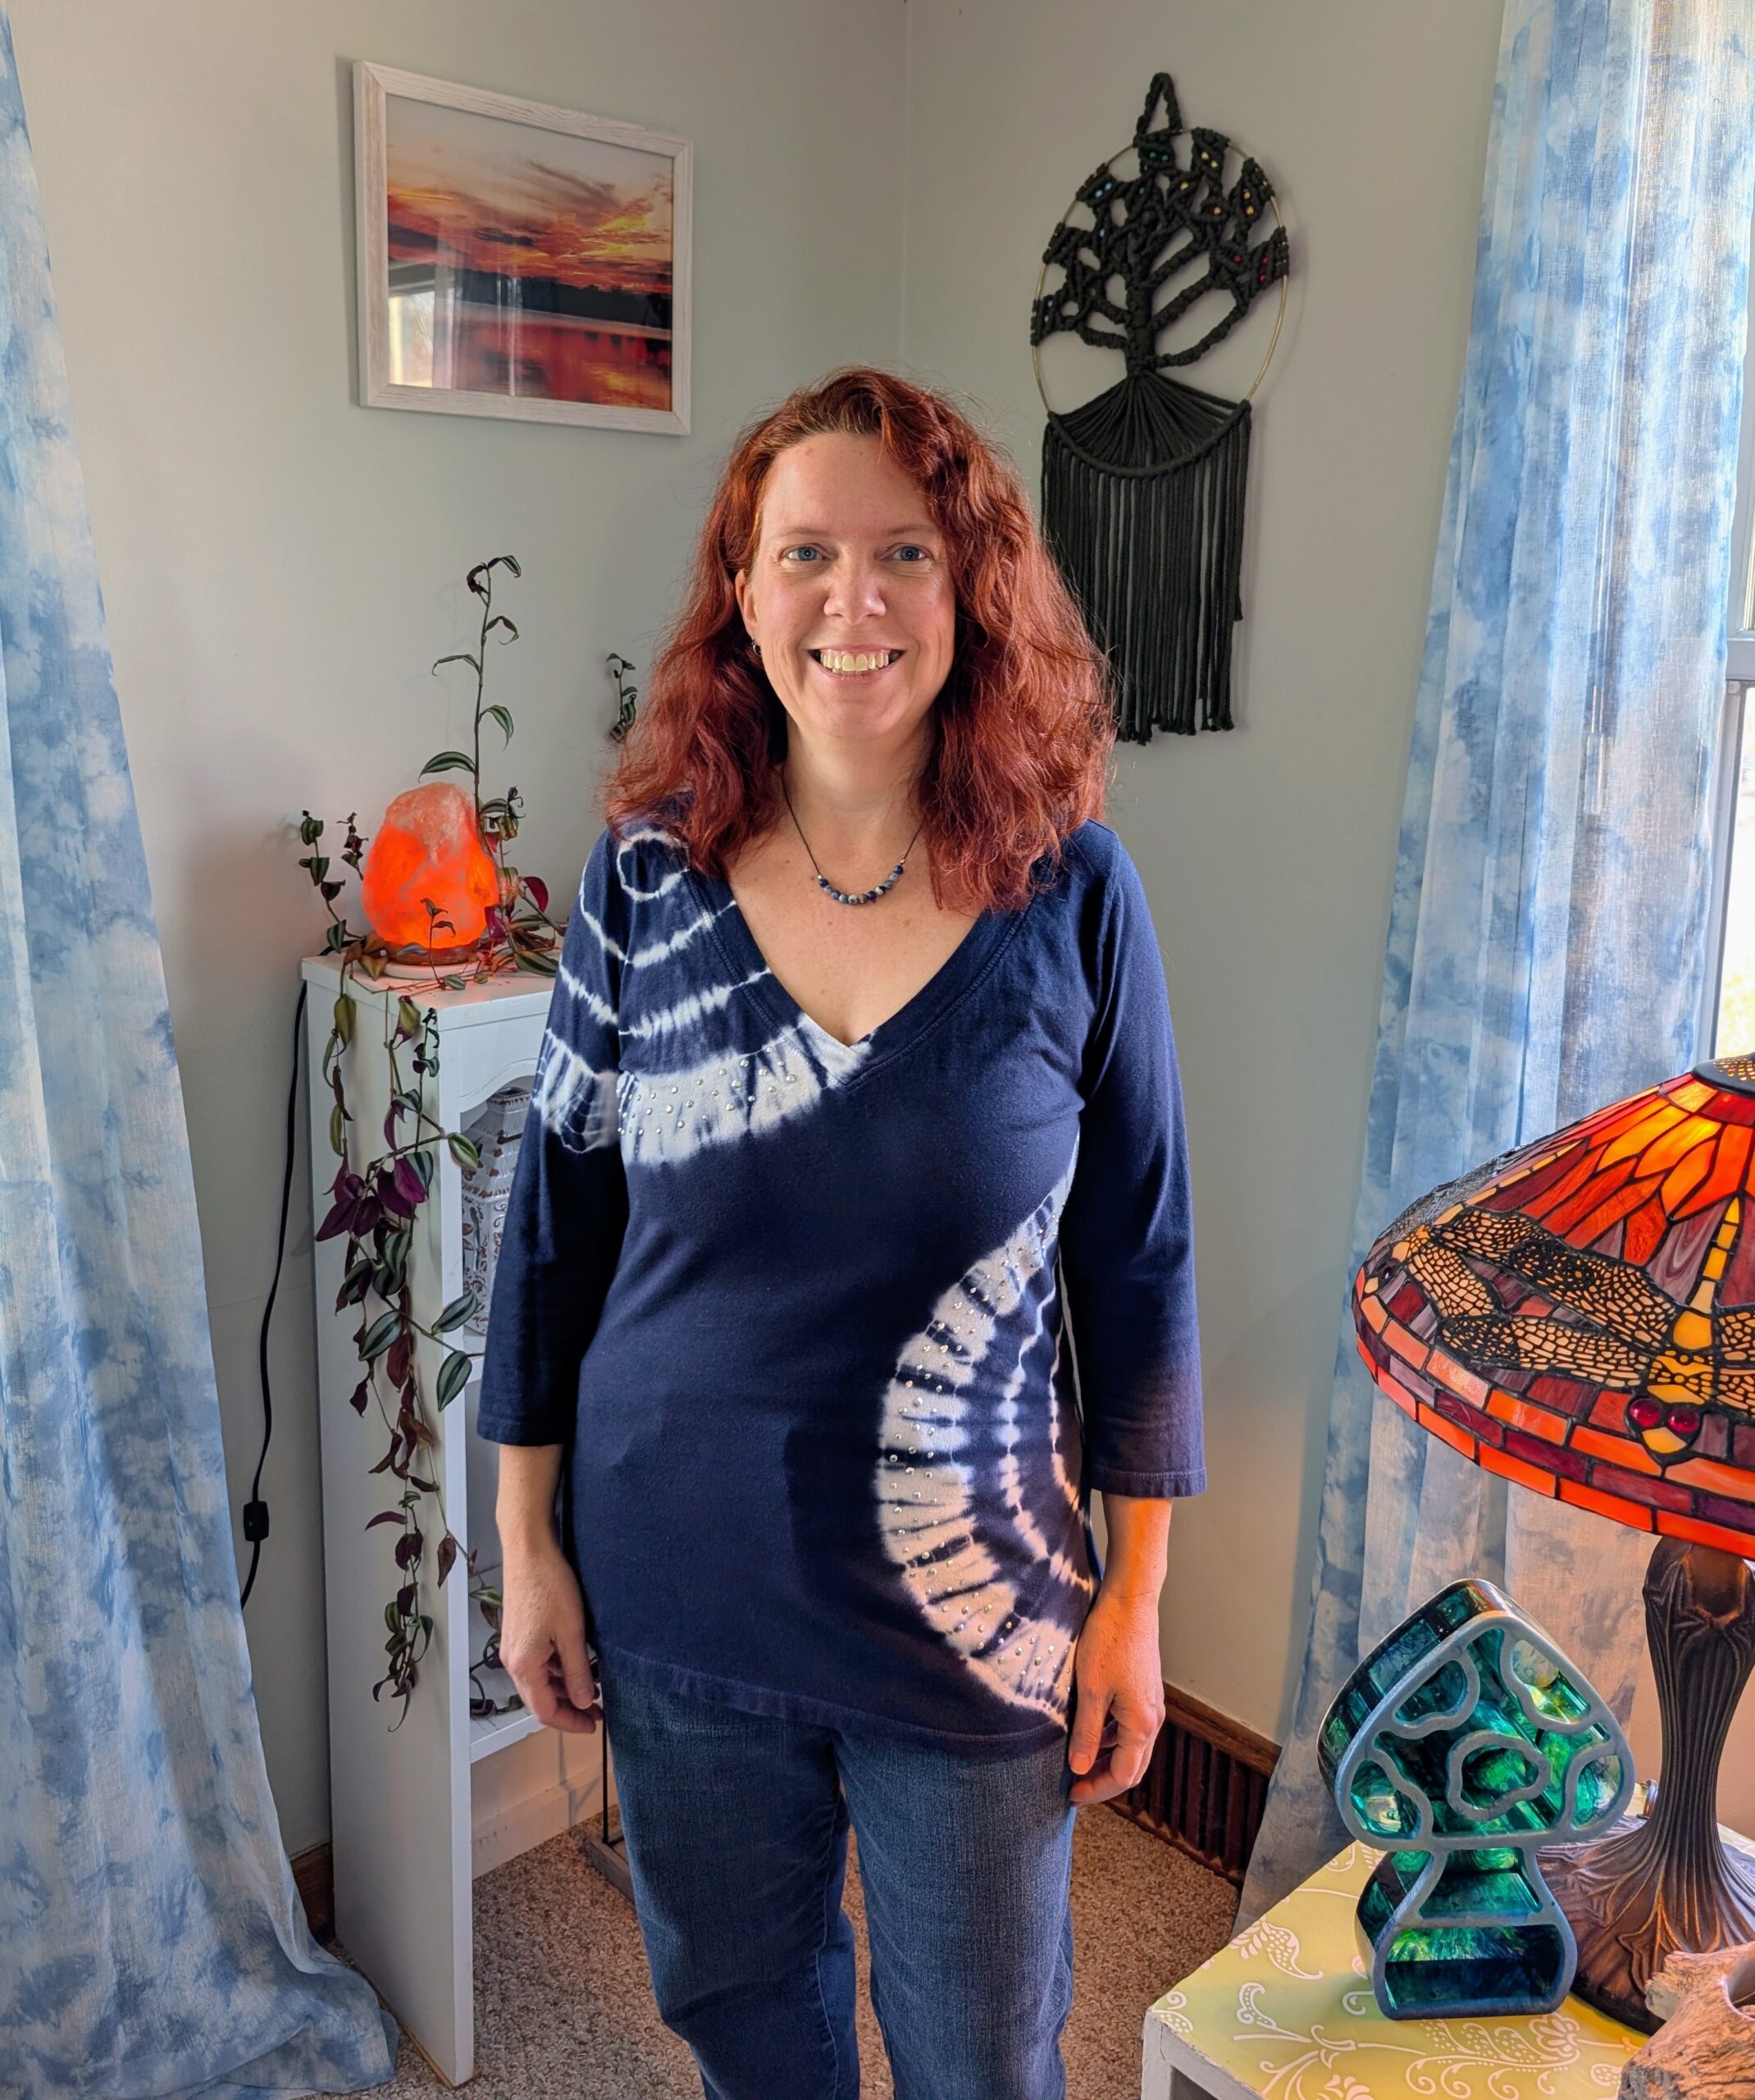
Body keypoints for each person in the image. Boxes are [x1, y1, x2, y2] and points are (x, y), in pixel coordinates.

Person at [476, 366, 1205, 2100]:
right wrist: (526, 1540)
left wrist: (1138, 1593)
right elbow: (552, 1228)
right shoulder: (644, 876)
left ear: (971, 594)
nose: (852, 602)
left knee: (981, 2053)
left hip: (969, 1612)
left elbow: (1139, 1257)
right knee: (749, 2029)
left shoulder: (1070, 885)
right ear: (740, 588)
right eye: (803, 552)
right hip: (678, 1580)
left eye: (902, 554)